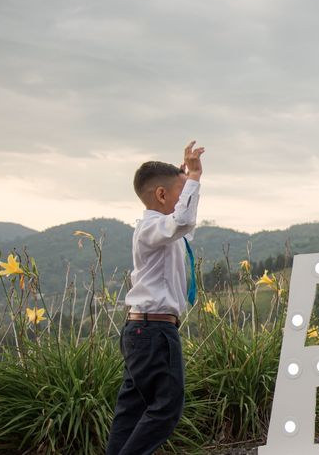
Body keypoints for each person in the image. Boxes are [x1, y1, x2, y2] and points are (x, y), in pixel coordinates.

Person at [107, 141, 205, 455]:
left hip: (143, 332)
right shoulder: (151, 229)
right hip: (154, 332)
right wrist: (195, 179)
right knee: (166, 409)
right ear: (161, 196)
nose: (183, 201)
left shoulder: (164, 232)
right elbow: (183, 221)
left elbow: (186, 229)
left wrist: (186, 180)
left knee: (132, 409)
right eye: (179, 194)